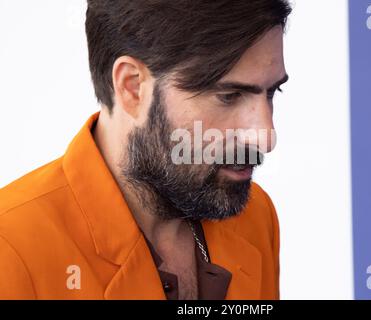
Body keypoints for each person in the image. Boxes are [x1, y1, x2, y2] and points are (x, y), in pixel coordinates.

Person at [0, 0, 291, 299]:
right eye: (230, 96)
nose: (266, 138)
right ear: (132, 87)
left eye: (271, 91)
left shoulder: (255, 217)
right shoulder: (10, 249)